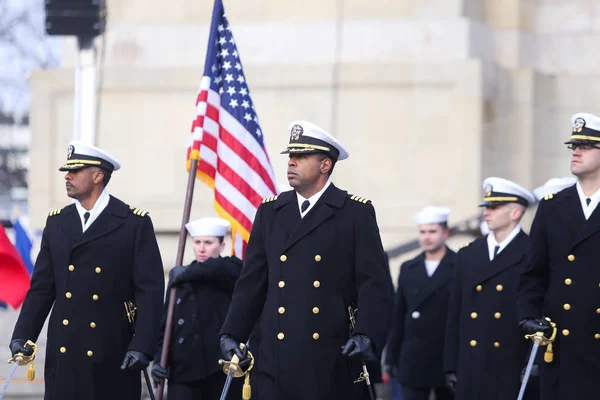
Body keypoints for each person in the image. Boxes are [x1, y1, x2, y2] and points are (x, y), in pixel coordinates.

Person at [218, 120, 394, 400]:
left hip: (328, 359)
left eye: (301, 156)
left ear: (325, 165)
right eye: (290, 156)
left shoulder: (354, 213)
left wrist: (367, 334)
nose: (291, 162)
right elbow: (251, 283)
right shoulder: (271, 211)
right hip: (273, 361)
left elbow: (375, 284)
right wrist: (231, 332)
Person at [9, 141, 165, 399]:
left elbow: (149, 291)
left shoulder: (133, 223)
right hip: (65, 350)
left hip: (112, 348)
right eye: (66, 171)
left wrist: (143, 346)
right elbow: (42, 288)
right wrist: (23, 335)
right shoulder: (58, 222)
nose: (67, 176)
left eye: (76, 170)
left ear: (98, 176)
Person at [517, 113, 600, 399]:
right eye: (573, 146)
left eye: (587, 146)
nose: (576, 151)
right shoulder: (552, 207)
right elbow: (534, 273)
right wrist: (528, 315)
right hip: (562, 344)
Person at [444, 177, 535, 400]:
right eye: (486, 207)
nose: (486, 213)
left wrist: (533, 363)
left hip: (509, 364)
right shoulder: (468, 254)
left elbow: (536, 309)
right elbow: (455, 312)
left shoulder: (532, 252)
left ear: (515, 213)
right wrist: (450, 365)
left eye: (494, 208)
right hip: (470, 363)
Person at [151, 217, 243, 399]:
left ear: (222, 245)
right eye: (197, 242)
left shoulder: (231, 269)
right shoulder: (179, 280)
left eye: (208, 243)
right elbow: (166, 327)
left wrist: (185, 272)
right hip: (184, 372)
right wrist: (159, 360)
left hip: (220, 371)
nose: (201, 249)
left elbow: (218, 268)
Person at [386, 206, 455, 400]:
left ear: (445, 233)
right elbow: (398, 316)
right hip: (414, 357)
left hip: (445, 356)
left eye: (432, 231)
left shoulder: (459, 265)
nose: (426, 237)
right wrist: (391, 357)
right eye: (423, 232)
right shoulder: (409, 268)